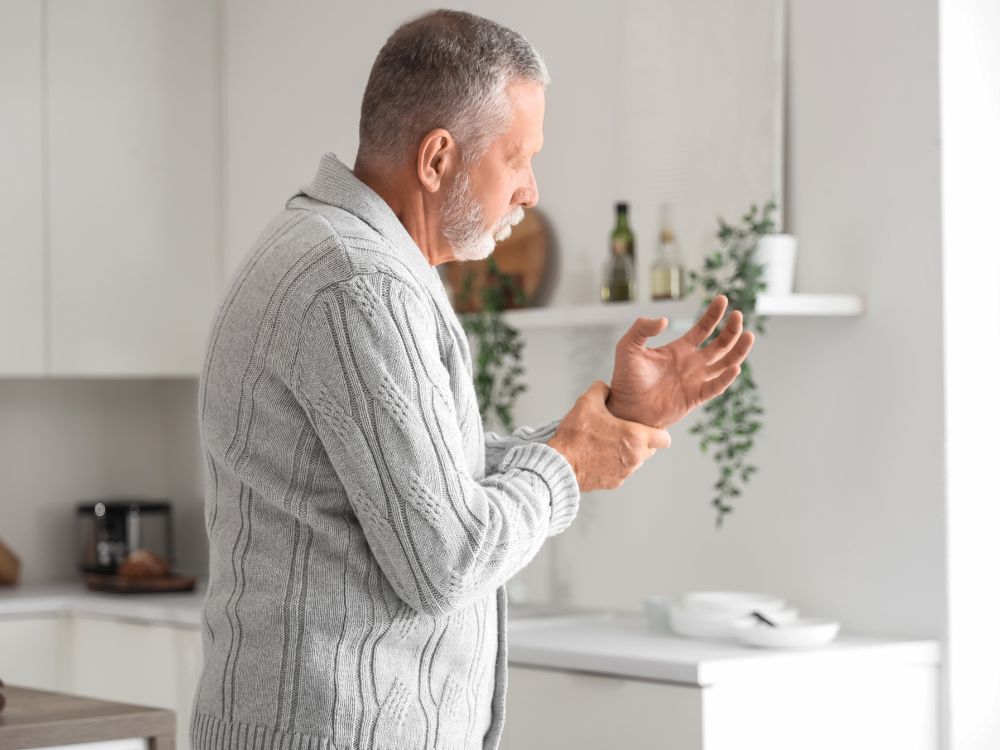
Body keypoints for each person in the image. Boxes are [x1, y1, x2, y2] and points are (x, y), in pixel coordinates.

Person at [189, 9, 753, 750]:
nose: (531, 192)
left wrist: (607, 420)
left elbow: (424, 483)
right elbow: (448, 560)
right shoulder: (359, 282)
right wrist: (568, 468)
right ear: (436, 160)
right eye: (517, 159)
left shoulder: (347, 256)